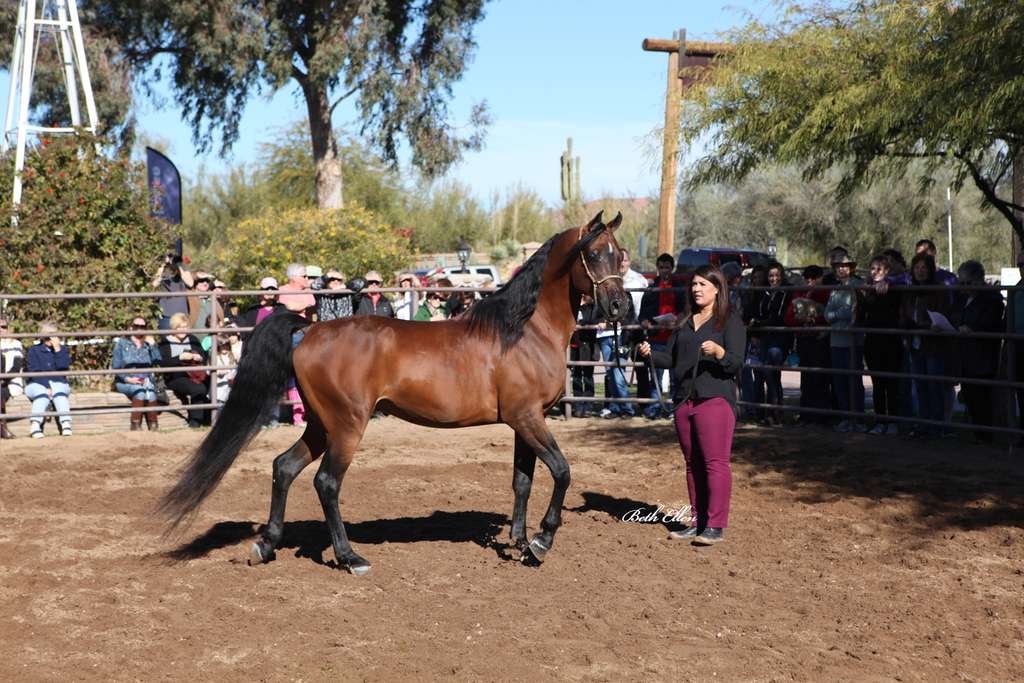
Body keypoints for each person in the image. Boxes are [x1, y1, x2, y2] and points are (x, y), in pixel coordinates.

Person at [638, 264, 744, 546]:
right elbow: (670, 359)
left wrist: (720, 352)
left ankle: (716, 526)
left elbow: (735, 363)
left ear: (718, 289)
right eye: (694, 284)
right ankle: (698, 523)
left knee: (715, 464)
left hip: (715, 401)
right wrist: (649, 355)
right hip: (684, 401)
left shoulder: (730, 321)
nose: (696, 289)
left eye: (703, 285)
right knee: (692, 464)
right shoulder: (685, 319)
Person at [949, 260, 1004, 444]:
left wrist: (972, 328)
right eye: (961, 283)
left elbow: (991, 320)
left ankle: (985, 436)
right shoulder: (961, 298)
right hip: (964, 356)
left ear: (980, 279)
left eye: (968, 283)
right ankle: (977, 434)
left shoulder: (992, 298)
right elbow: (952, 317)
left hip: (982, 356)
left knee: (981, 399)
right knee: (969, 397)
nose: (964, 287)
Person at [898, 253, 951, 440]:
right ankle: (924, 423)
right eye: (917, 267)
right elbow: (903, 313)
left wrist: (924, 327)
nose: (920, 271)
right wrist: (906, 324)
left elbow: (942, 314)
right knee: (920, 385)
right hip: (915, 344)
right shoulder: (909, 290)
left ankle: (937, 426)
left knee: (934, 385)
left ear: (930, 270)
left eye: (924, 267)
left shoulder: (939, 289)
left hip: (933, 344)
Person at [639, 253, 686, 420]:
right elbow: (642, 313)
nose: (664, 270)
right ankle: (656, 409)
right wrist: (644, 321)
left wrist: (678, 320)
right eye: (661, 267)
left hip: (674, 339)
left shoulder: (680, 288)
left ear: (671, 268)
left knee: (676, 377)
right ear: (657, 268)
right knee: (656, 378)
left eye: (667, 267)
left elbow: (686, 312)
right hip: (655, 339)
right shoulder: (650, 289)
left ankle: (675, 410)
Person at [860, 254, 902, 435]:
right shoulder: (867, 290)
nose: (875, 272)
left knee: (891, 384)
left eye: (879, 268)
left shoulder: (894, 290)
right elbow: (862, 317)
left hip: (891, 342)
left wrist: (873, 317)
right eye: (872, 268)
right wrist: (873, 318)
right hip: (872, 342)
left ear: (887, 270)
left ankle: (892, 422)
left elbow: (894, 316)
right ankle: (880, 422)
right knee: (877, 384)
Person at [824, 253, 866, 432]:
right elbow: (827, 314)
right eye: (837, 266)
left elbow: (854, 311)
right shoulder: (835, 289)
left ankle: (859, 419)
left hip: (853, 341)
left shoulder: (858, 285)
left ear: (851, 268)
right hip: (836, 341)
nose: (840, 269)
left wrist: (838, 314)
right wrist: (840, 314)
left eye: (844, 265)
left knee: (854, 382)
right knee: (840, 383)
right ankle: (845, 418)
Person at [784, 265, 831, 427]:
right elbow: (788, 318)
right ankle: (806, 416)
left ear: (820, 279)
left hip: (819, 339)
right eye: (807, 278)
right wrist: (798, 320)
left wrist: (813, 321)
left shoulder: (825, 293)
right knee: (806, 381)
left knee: (820, 380)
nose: (810, 281)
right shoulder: (798, 294)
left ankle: (820, 418)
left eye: (814, 278)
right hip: (804, 340)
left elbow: (827, 317)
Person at [748, 260, 793, 425]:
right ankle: (775, 413)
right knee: (771, 373)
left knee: (769, 368)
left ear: (782, 276)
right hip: (765, 336)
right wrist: (757, 323)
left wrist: (761, 322)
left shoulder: (785, 293)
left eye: (777, 275)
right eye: (771, 275)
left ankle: (774, 411)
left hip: (780, 337)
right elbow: (760, 313)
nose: (774, 279)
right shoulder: (765, 294)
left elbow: (780, 318)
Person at [158, 312, 210, 429]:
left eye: (185, 327)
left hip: (194, 374)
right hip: (175, 376)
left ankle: (209, 417)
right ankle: (195, 421)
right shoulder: (166, 342)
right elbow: (163, 363)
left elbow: (203, 355)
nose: (183, 330)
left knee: (210, 382)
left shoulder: (192, 339)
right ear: (174, 327)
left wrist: (199, 358)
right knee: (199, 388)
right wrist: (180, 358)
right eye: (180, 327)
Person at [111, 316, 162, 431]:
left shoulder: (147, 344)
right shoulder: (122, 343)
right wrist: (128, 379)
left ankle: (153, 424)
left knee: (152, 393)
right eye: (136, 326)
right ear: (130, 327)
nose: (139, 329)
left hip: (145, 380)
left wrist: (153, 344)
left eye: (142, 326)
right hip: (126, 381)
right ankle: (135, 424)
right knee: (140, 392)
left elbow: (158, 361)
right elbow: (116, 367)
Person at [24, 321, 73, 438]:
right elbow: (34, 372)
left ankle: (66, 425)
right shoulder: (34, 351)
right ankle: (35, 426)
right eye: (48, 335)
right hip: (36, 383)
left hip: (58, 383)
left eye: (54, 335)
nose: (51, 338)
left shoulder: (62, 349)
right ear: (41, 336)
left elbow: (64, 366)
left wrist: (58, 349)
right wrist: (47, 386)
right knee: (42, 393)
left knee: (59, 391)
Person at [741, 264, 769, 422]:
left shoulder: (767, 295)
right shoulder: (749, 295)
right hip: (751, 338)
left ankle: (766, 410)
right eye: (755, 277)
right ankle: (753, 409)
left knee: (764, 374)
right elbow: (746, 316)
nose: (758, 280)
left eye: (760, 277)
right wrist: (752, 335)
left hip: (764, 337)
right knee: (748, 374)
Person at [569, 295, 600, 417]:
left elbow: (599, 319)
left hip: (587, 347)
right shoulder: (572, 302)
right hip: (573, 347)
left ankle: (588, 408)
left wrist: (583, 323)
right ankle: (578, 407)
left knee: (588, 378)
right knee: (576, 378)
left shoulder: (592, 305)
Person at [152, 252, 194, 330]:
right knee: (166, 340)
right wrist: (163, 265)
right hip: (165, 314)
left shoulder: (182, 268)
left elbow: (190, 283)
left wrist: (177, 267)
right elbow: (154, 284)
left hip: (181, 315)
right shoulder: (160, 269)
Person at [1, 317, 24, 439]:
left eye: (3, 327)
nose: (1, 329)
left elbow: (17, 366)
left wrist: (4, 379)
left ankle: (3, 427)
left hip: (10, 382)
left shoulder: (16, 344)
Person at [213, 323, 244, 410]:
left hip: (229, 386)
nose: (225, 347)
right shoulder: (215, 357)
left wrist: (234, 375)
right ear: (218, 346)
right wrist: (218, 372)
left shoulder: (231, 356)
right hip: (219, 387)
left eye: (227, 345)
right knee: (219, 407)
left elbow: (235, 369)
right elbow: (208, 370)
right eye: (222, 345)